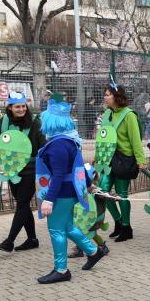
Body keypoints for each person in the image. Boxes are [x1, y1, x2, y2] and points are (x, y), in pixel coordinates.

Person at [35, 94, 105, 284]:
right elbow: (78, 167)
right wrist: (89, 184)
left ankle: (61, 270)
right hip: (69, 192)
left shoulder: (57, 144)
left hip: (61, 194)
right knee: (67, 227)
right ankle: (93, 251)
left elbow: (58, 174)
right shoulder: (69, 141)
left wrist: (49, 199)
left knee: (56, 230)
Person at [98, 84, 146, 242]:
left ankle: (126, 227)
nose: (105, 97)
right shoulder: (106, 114)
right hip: (108, 159)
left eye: (108, 95)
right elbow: (103, 137)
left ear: (117, 97)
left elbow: (135, 139)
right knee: (102, 192)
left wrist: (141, 160)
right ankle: (118, 221)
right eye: (105, 94)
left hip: (124, 159)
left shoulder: (129, 115)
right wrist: (98, 156)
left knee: (122, 194)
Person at [0, 92, 46, 253]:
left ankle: (9, 241)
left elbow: (43, 146)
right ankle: (32, 239)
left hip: (31, 170)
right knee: (22, 205)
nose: (21, 109)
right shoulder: (3, 122)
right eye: (17, 106)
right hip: (12, 171)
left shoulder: (35, 123)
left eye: (23, 106)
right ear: (10, 108)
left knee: (22, 204)